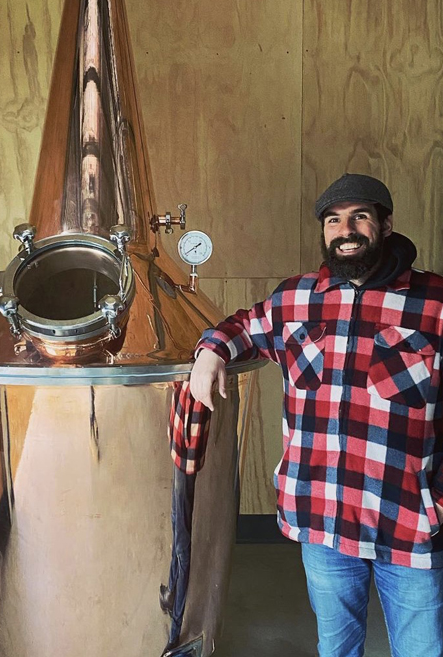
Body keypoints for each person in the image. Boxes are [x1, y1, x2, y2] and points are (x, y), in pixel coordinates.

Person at [189, 173, 443, 657]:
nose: (345, 231)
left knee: (423, 649)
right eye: (333, 221)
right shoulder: (295, 299)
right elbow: (244, 325)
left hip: (409, 518)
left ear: (386, 225)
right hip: (323, 516)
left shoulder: (433, 302)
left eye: (359, 217)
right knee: (336, 646)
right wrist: (211, 351)